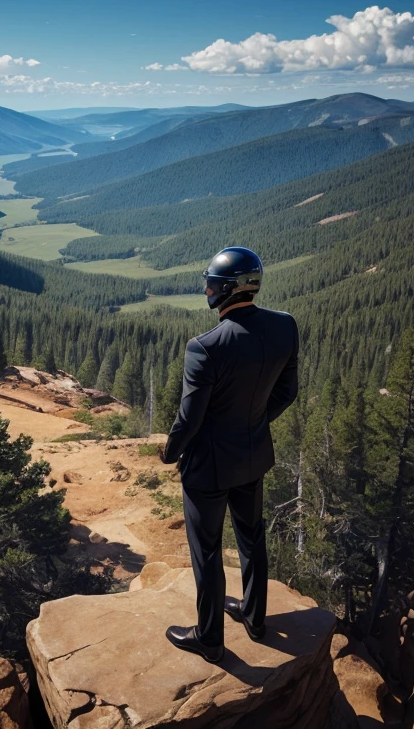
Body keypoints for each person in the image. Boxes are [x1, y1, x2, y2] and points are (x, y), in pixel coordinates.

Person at [160, 246, 299, 664]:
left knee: (207, 550)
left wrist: (170, 453)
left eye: (211, 284)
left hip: (207, 467)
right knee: (251, 536)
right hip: (253, 455)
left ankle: (210, 639)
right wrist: (252, 422)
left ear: (225, 290)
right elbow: (287, 392)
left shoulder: (205, 347)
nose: (206, 289)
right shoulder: (284, 326)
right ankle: (255, 619)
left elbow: (189, 419)